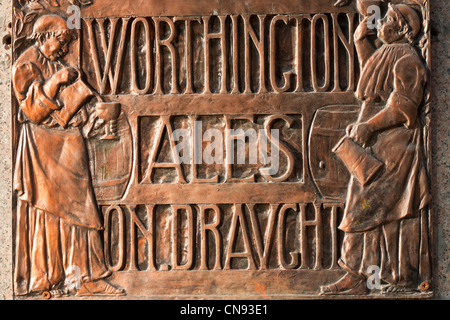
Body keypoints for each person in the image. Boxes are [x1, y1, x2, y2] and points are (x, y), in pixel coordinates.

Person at [320, 3, 431, 295]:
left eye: (388, 19)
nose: (381, 22)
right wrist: (361, 36)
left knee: (383, 210)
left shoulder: (407, 57)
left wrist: (369, 125)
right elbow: (369, 69)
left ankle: (398, 277)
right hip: (374, 142)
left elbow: (403, 105)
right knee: (366, 208)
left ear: (402, 30)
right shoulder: (386, 53)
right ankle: (361, 275)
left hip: (394, 144)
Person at [13, 14, 124, 297]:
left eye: (66, 43)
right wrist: (55, 81)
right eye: (61, 41)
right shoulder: (26, 64)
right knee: (51, 210)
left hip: (70, 144)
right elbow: (32, 111)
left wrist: (92, 113)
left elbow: (71, 104)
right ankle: (51, 278)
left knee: (83, 208)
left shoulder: (57, 62)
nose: (64, 49)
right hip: (43, 149)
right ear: (43, 37)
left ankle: (88, 276)